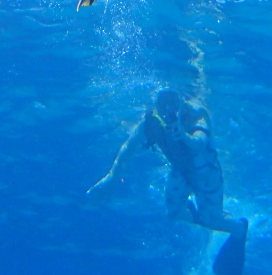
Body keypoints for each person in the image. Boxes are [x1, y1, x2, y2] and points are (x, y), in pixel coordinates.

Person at [89, 90, 248, 275]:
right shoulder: (151, 123)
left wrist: (182, 134)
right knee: (174, 213)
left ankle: (239, 228)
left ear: (182, 102)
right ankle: (207, 215)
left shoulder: (196, 114)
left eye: (173, 102)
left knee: (212, 219)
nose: (169, 109)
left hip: (206, 173)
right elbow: (128, 147)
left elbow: (199, 142)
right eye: (164, 104)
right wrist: (111, 177)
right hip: (180, 171)